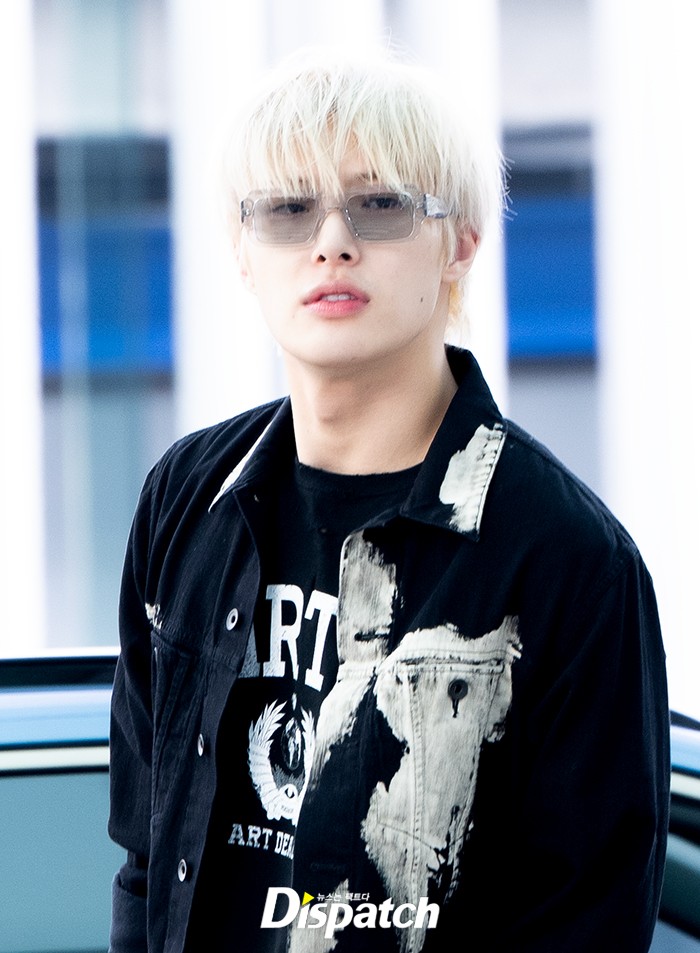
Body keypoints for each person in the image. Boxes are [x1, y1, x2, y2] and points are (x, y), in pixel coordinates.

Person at [108, 48, 669, 953]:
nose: (332, 240)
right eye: (288, 209)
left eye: (380, 204)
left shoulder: (570, 561)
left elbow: (587, 925)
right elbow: (144, 863)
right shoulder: (186, 499)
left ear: (462, 241)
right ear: (241, 251)